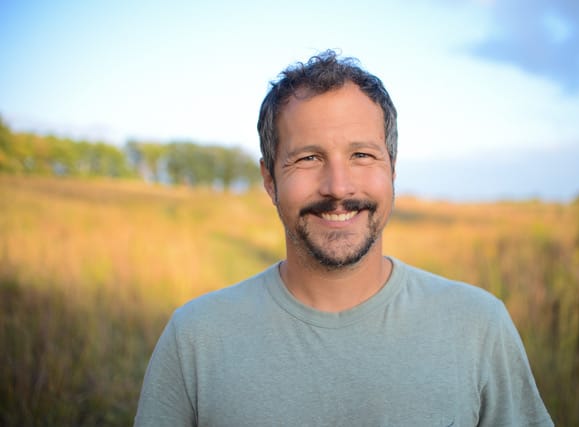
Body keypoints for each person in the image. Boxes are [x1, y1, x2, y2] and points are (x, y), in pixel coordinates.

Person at [134, 50, 553, 426]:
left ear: (392, 168)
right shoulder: (196, 338)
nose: (338, 187)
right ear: (268, 179)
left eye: (362, 155)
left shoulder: (478, 326)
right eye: (309, 158)